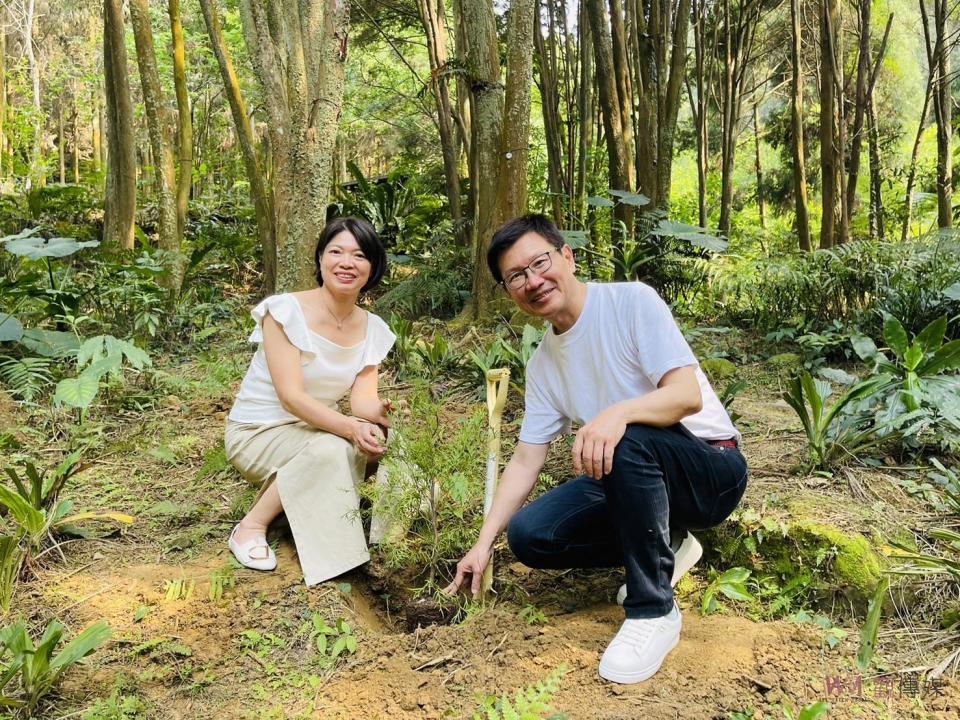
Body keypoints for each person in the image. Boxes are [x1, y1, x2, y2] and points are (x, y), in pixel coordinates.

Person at [444, 214, 747, 684]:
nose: (533, 281)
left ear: (567, 256)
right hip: (635, 473)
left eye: (539, 263)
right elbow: (527, 457)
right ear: (508, 292)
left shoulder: (630, 302)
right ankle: (667, 540)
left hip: (711, 469)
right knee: (530, 534)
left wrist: (616, 413)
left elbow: (686, 396)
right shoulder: (544, 363)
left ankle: (653, 612)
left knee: (622, 436)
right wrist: (483, 545)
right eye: (516, 277)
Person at [224, 216, 396, 586]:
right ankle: (251, 526)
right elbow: (291, 397)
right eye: (336, 252)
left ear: (372, 267)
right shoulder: (285, 311)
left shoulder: (373, 329)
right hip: (261, 431)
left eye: (359, 255)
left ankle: (385, 544)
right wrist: (351, 427)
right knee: (332, 450)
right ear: (320, 260)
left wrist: (379, 414)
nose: (347, 262)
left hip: (320, 427)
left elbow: (362, 400)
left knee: (389, 445)